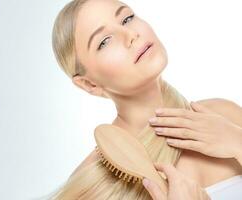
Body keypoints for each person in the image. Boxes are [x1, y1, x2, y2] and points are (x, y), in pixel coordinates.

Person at [47, 0, 242, 199]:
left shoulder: (225, 117)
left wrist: (238, 143)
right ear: (89, 84)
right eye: (104, 41)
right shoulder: (91, 186)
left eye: (127, 19)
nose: (131, 35)